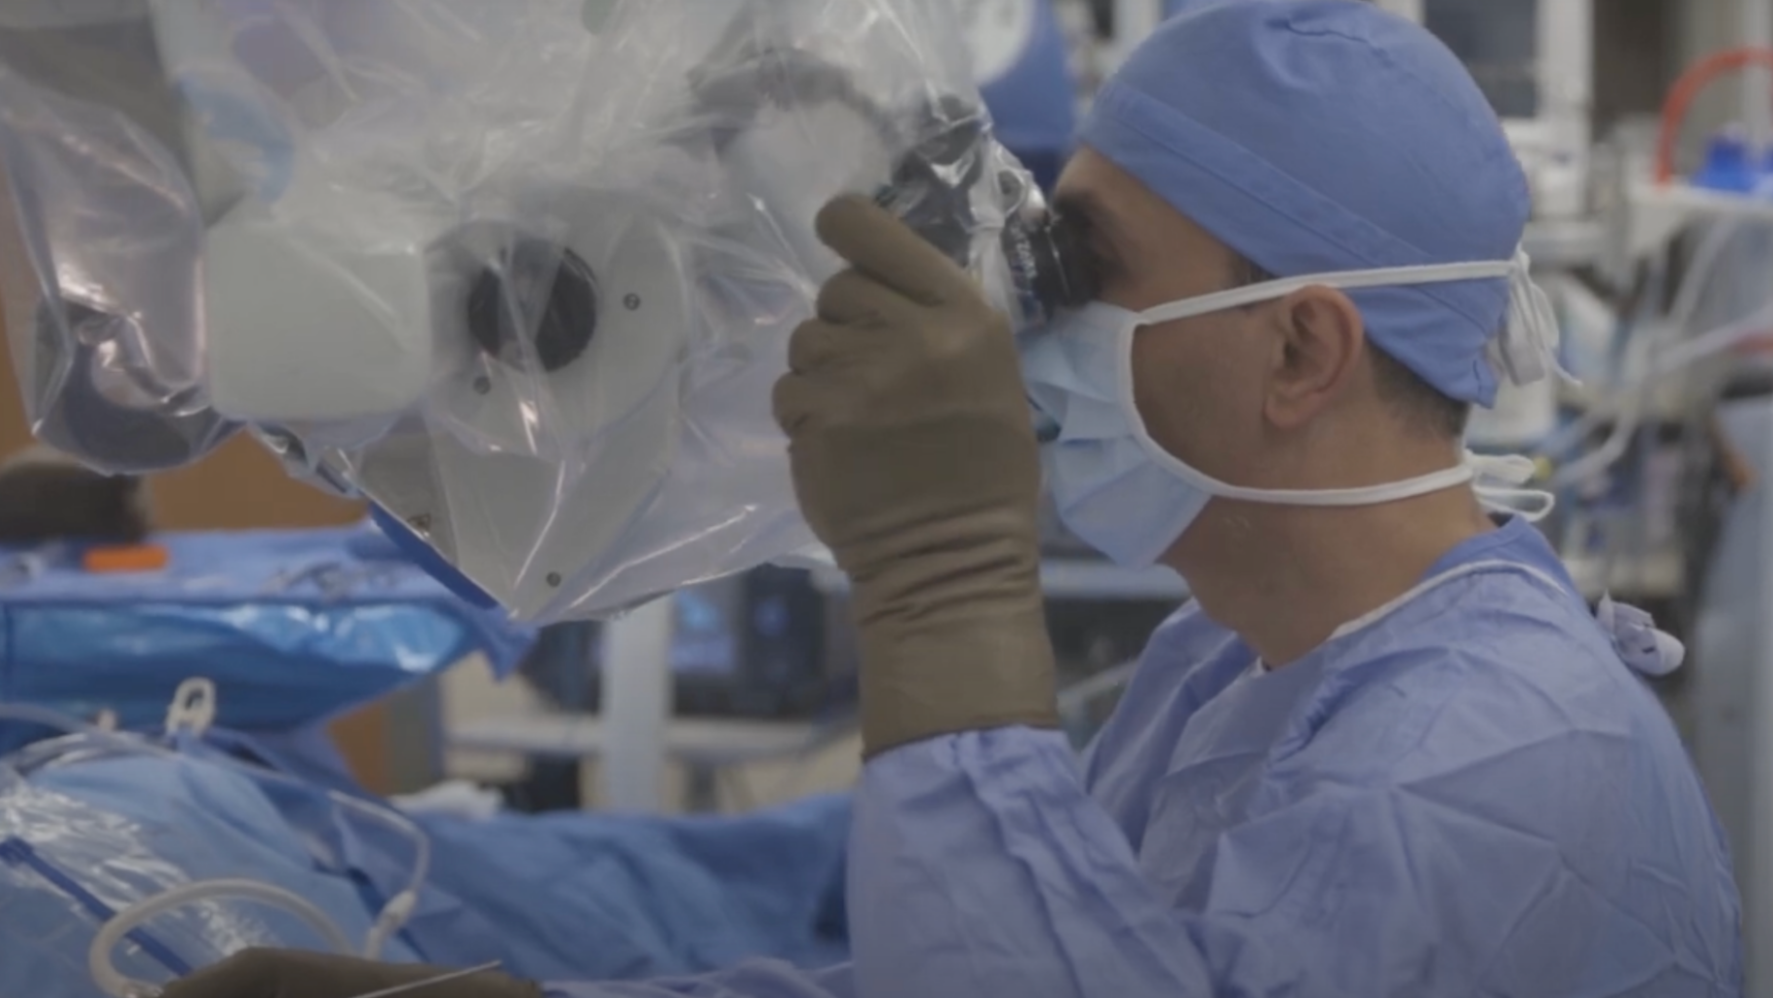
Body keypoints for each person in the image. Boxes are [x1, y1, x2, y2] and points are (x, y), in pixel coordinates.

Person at [163, 2, 1743, 996]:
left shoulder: (1495, 756)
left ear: (1300, 348)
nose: (1028, 316)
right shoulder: (1233, 668)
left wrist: (943, 583)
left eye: (1088, 264)